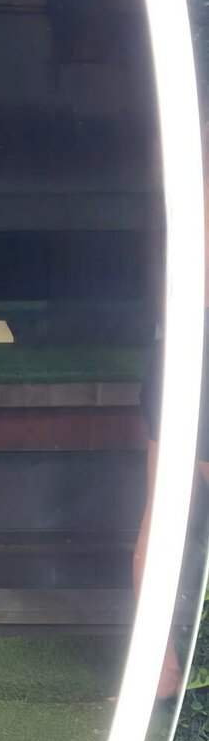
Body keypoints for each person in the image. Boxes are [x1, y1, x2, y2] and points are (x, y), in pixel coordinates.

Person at [135, 182, 209, 700]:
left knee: (161, 525)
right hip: (186, 360)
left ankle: (162, 673)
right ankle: (160, 672)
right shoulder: (187, 195)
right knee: (161, 523)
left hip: (178, 359)